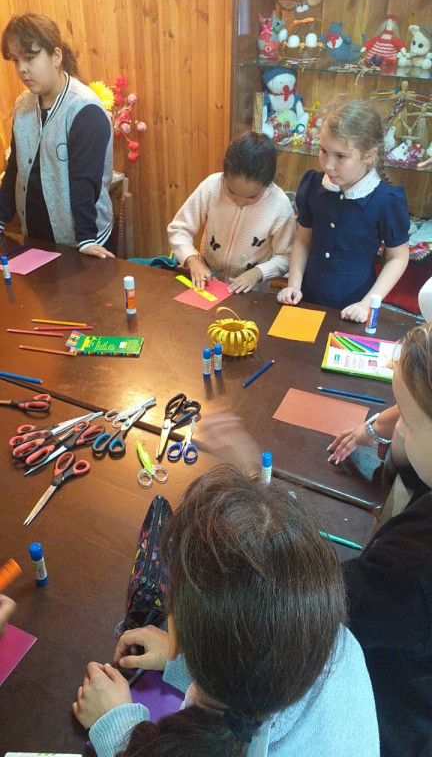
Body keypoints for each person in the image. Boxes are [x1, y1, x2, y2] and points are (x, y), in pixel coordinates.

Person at [73, 464, 379, 757]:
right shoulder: (340, 643)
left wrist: (112, 723)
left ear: (175, 632)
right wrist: (189, 661)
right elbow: (260, 662)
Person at [330, 324, 432, 756]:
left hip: (389, 722)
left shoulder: (409, 570)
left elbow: (318, 608)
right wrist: (380, 429)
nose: (399, 433)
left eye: (407, 419)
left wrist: (185, 652)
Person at [277, 98, 410, 321]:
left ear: (369, 155)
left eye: (341, 156)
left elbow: (398, 258)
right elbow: (303, 240)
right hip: (307, 299)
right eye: (323, 151)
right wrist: (293, 286)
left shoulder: (386, 200)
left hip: (354, 308)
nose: (328, 165)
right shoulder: (314, 185)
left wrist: (367, 304)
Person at [0, 13, 115, 258]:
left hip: (81, 240)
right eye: (16, 60)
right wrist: (1, 218)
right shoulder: (23, 105)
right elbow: (15, 170)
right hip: (37, 236)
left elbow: (84, 181)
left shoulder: (85, 109)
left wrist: (86, 239)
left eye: (29, 58)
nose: (21, 69)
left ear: (56, 57)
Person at [167, 131, 295, 293]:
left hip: (250, 292)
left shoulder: (279, 205)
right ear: (225, 176)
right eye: (232, 192)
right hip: (208, 282)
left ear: (267, 184)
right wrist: (192, 260)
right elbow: (178, 229)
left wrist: (258, 273)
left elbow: (287, 256)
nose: (240, 201)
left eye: (252, 197)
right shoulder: (212, 186)